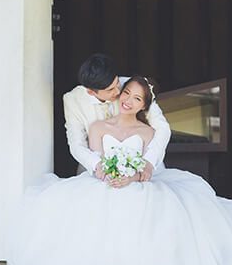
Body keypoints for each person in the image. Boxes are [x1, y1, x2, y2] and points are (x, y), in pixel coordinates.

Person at [7, 75, 232, 265]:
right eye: (127, 94)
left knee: (154, 211)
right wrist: (108, 173)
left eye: (137, 98)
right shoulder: (97, 125)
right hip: (103, 179)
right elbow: (87, 151)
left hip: (139, 180)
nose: (128, 100)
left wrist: (134, 175)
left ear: (144, 106)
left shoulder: (148, 131)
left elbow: (152, 157)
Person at [63, 53, 170, 181]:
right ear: (91, 92)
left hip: (142, 171)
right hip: (96, 173)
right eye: (110, 90)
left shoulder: (132, 87)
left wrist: (148, 162)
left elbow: (162, 128)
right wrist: (98, 166)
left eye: (117, 84)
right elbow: (76, 144)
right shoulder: (73, 100)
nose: (118, 92)